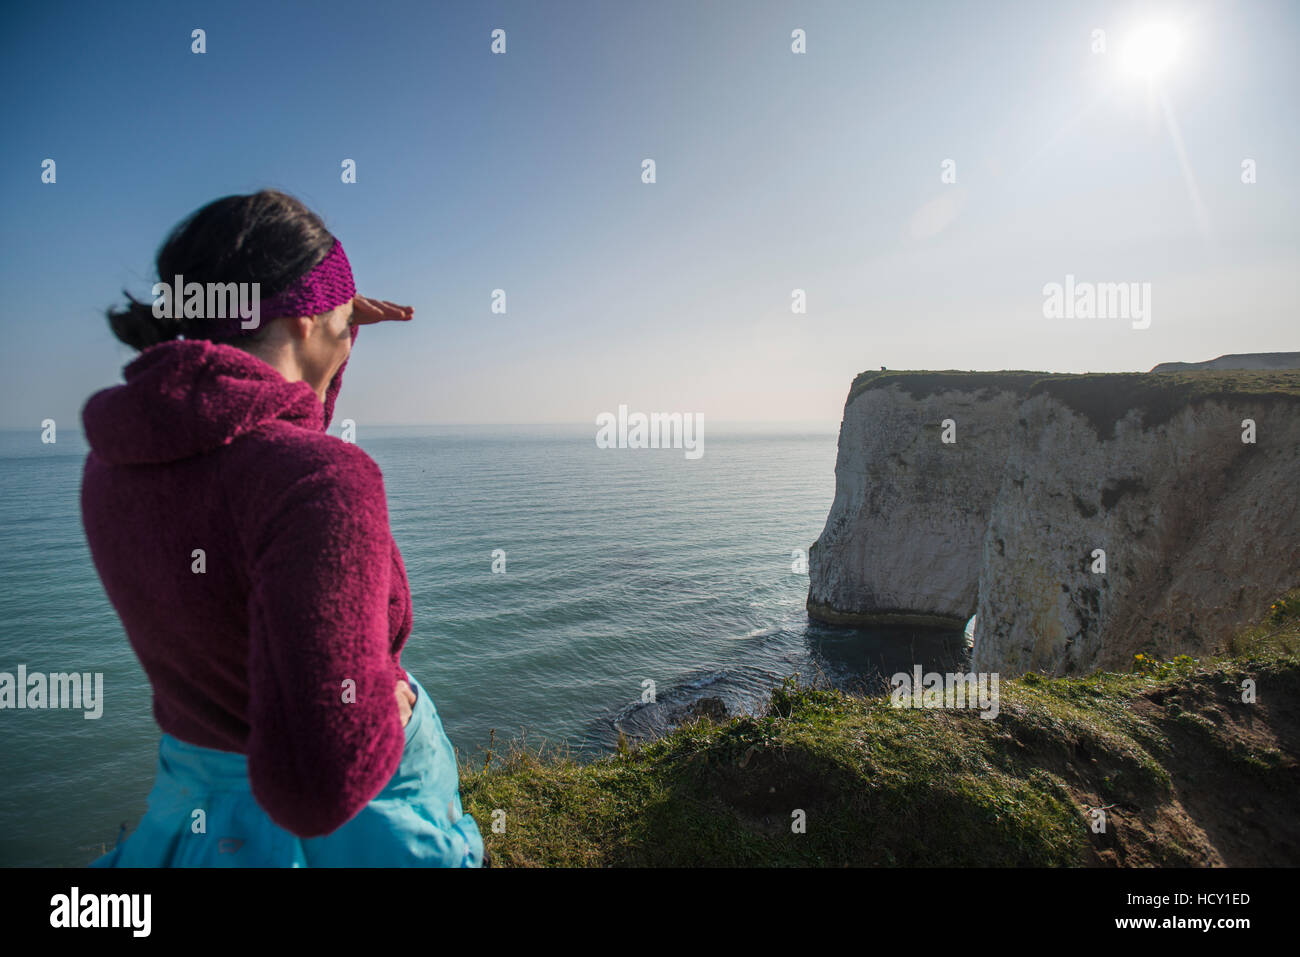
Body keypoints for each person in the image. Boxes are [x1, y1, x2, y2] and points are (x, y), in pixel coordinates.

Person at [80, 189, 485, 867]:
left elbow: (267, 428)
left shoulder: (114, 462)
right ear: (303, 319)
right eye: (339, 313)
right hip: (365, 829)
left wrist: (331, 326)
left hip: (199, 815)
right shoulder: (323, 480)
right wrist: (393, 702)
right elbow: (321, 787)